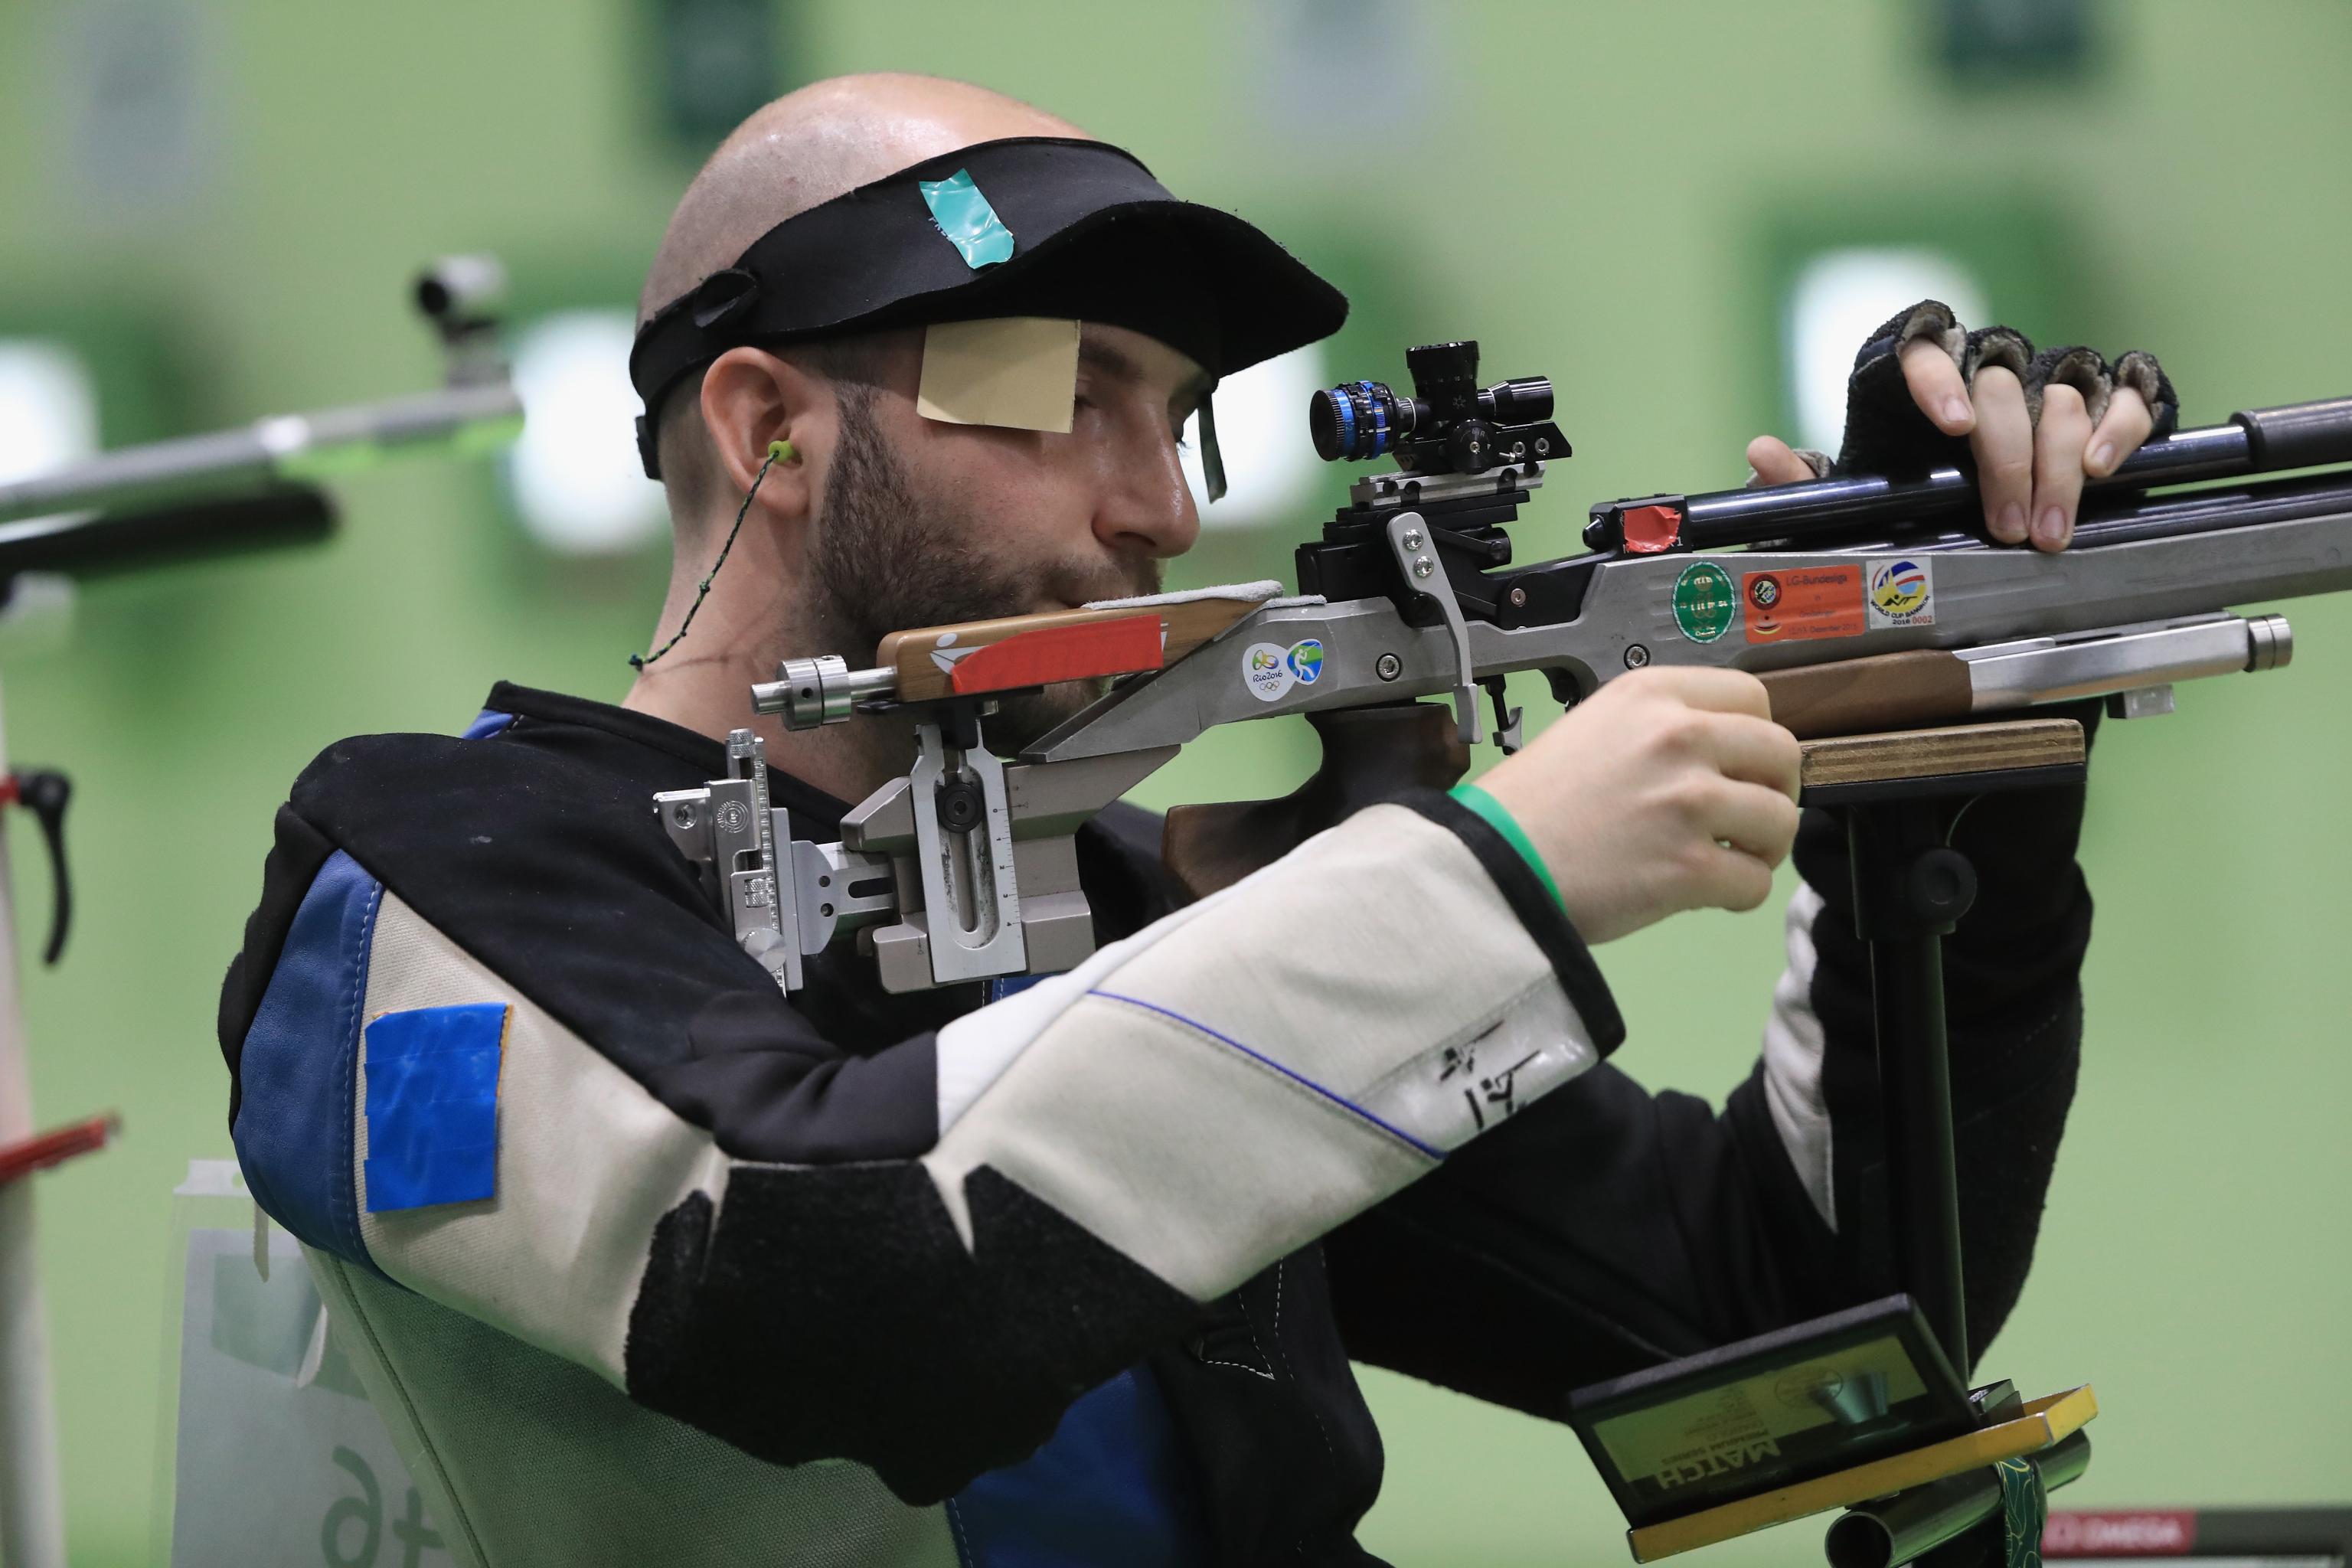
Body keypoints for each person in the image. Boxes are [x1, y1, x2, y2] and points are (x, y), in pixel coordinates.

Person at [217, 73, 2172, 1567]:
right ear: (769, 430)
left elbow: (1799, 1323)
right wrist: (1485, 881)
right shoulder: (421, 873)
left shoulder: (1138, 917)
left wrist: (1960, 749)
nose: (1159, 502)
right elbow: (834, 1279)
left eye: (1182, 416)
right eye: (1062, 388)